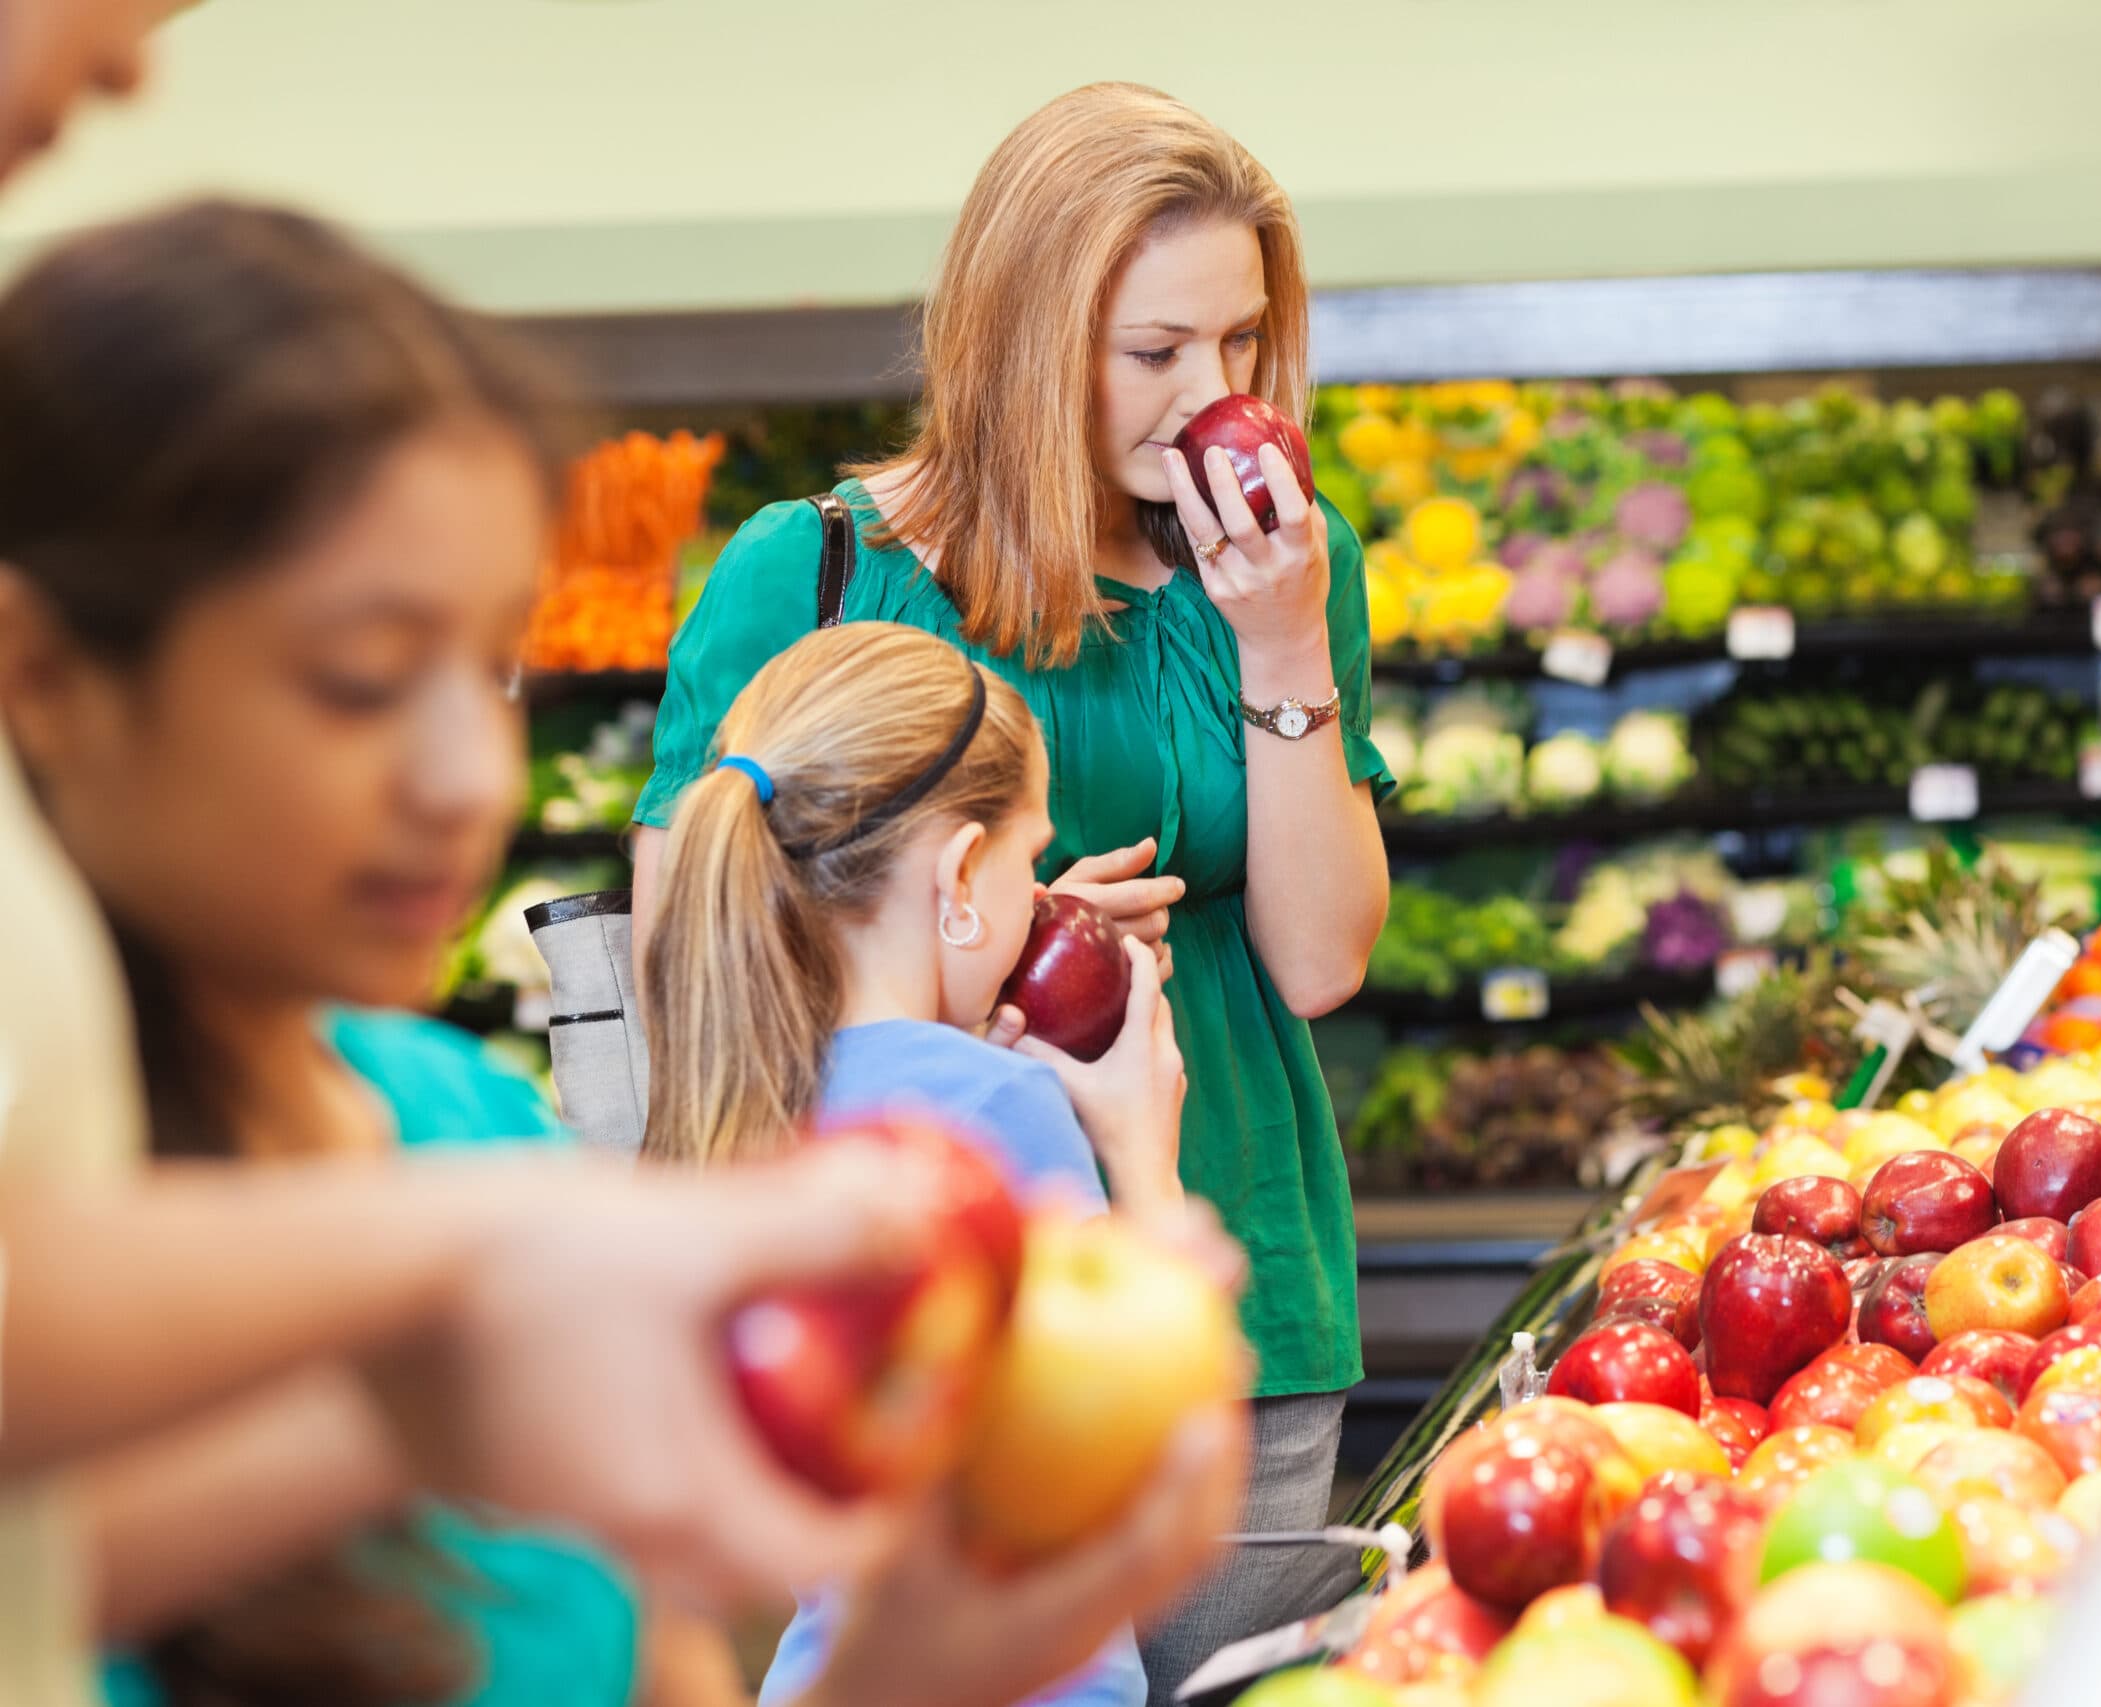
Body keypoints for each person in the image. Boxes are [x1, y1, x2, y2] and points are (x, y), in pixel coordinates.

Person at [0, 194, 1241, 1707]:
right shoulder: (436, 1212)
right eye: (359, 679)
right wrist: (478, 1279)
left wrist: (928, 1655)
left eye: (491, 667)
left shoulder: (470, 1126)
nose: (474, 778)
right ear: (46, 679)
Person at [631, 82, 1393, 1698]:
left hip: (1232, 1274)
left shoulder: (1280, 558)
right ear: (1026, 333)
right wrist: (1003, 945)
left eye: (1244, 345)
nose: (1215, 396)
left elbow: (1320, 960)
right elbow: (684, 944)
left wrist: (1279, 645)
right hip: (903, 1328)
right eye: (1158, 352)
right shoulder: (815, 568)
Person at [643, 619, 1203, 1703]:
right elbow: (1143, 1454)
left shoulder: (756, 1091)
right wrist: (1144, 1151)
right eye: (1031, 858)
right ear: (957, 875)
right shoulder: (1001, 1104)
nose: (1043, 899)